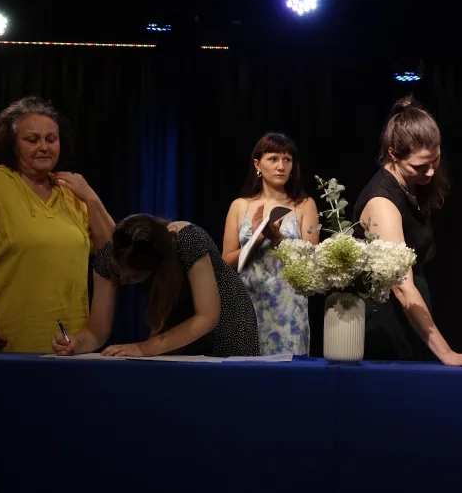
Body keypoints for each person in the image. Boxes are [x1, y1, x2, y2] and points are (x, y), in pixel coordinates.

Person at [0, 96, 112, 353]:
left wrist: (92, 198)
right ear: (12, 145)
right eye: (32, 140)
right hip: (7, 349)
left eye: (51, 139)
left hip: (69, 352)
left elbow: (113, 255)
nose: (43, 147)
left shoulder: (72, 193)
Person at [353, 96, 462, 368]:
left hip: (410, 311)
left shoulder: (410, 184)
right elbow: (402, 286)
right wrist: (448, 354)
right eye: (420, 166)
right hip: (388, 318)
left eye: (435, 161)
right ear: (393, 154)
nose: (430, 172)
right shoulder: (382, 203)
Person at [50, 189, 261, 357]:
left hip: (226, 324)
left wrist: (144, 348)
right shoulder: (108, 258)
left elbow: (207, 316)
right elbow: (97, 331)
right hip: (178, 326)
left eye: (133, 276)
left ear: (156, 267)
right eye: (119, 271)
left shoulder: (187, 241)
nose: (123, 280)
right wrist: (76, 343)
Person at [222, 132, 319, 355]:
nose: (281, 166)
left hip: (288, 308)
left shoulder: (304, 205)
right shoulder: (240, 206)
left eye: (287, 159)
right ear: (258, 164)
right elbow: (226, 262)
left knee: (288, 372)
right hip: (247, 305)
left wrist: (277, 239)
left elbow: (312, 263)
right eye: (273, 159)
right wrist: (257, 239)